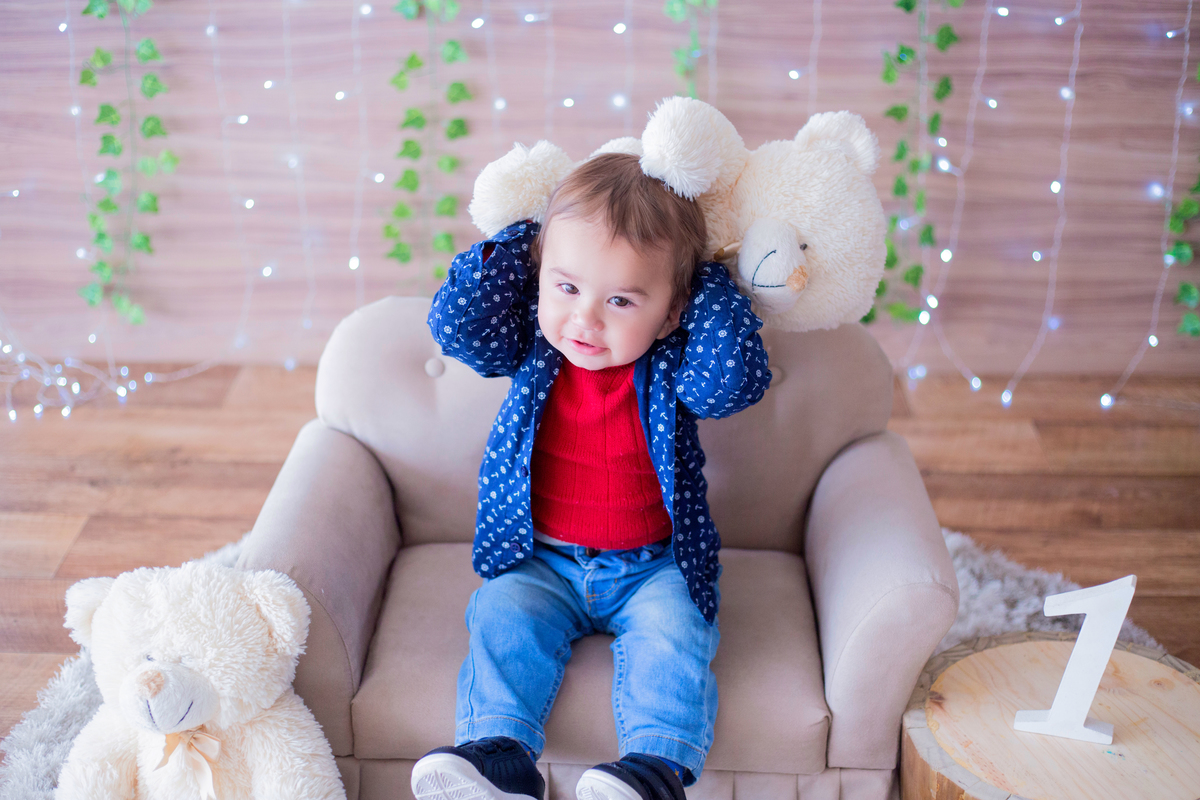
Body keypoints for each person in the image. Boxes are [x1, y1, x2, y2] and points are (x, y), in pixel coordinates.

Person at [413, 152, 771, 800]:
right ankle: (500, 758)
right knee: (501, 613)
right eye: (568, 288)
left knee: (677, 630)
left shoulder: (669, 364)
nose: (586, 320)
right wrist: (534, 235)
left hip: (652, 567)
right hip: (542, 561)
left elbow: (734, 379)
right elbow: (455, 322)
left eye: (621, 300)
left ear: (668, 314)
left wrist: (703, 278)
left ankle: (652, 770)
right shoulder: (529, 346)